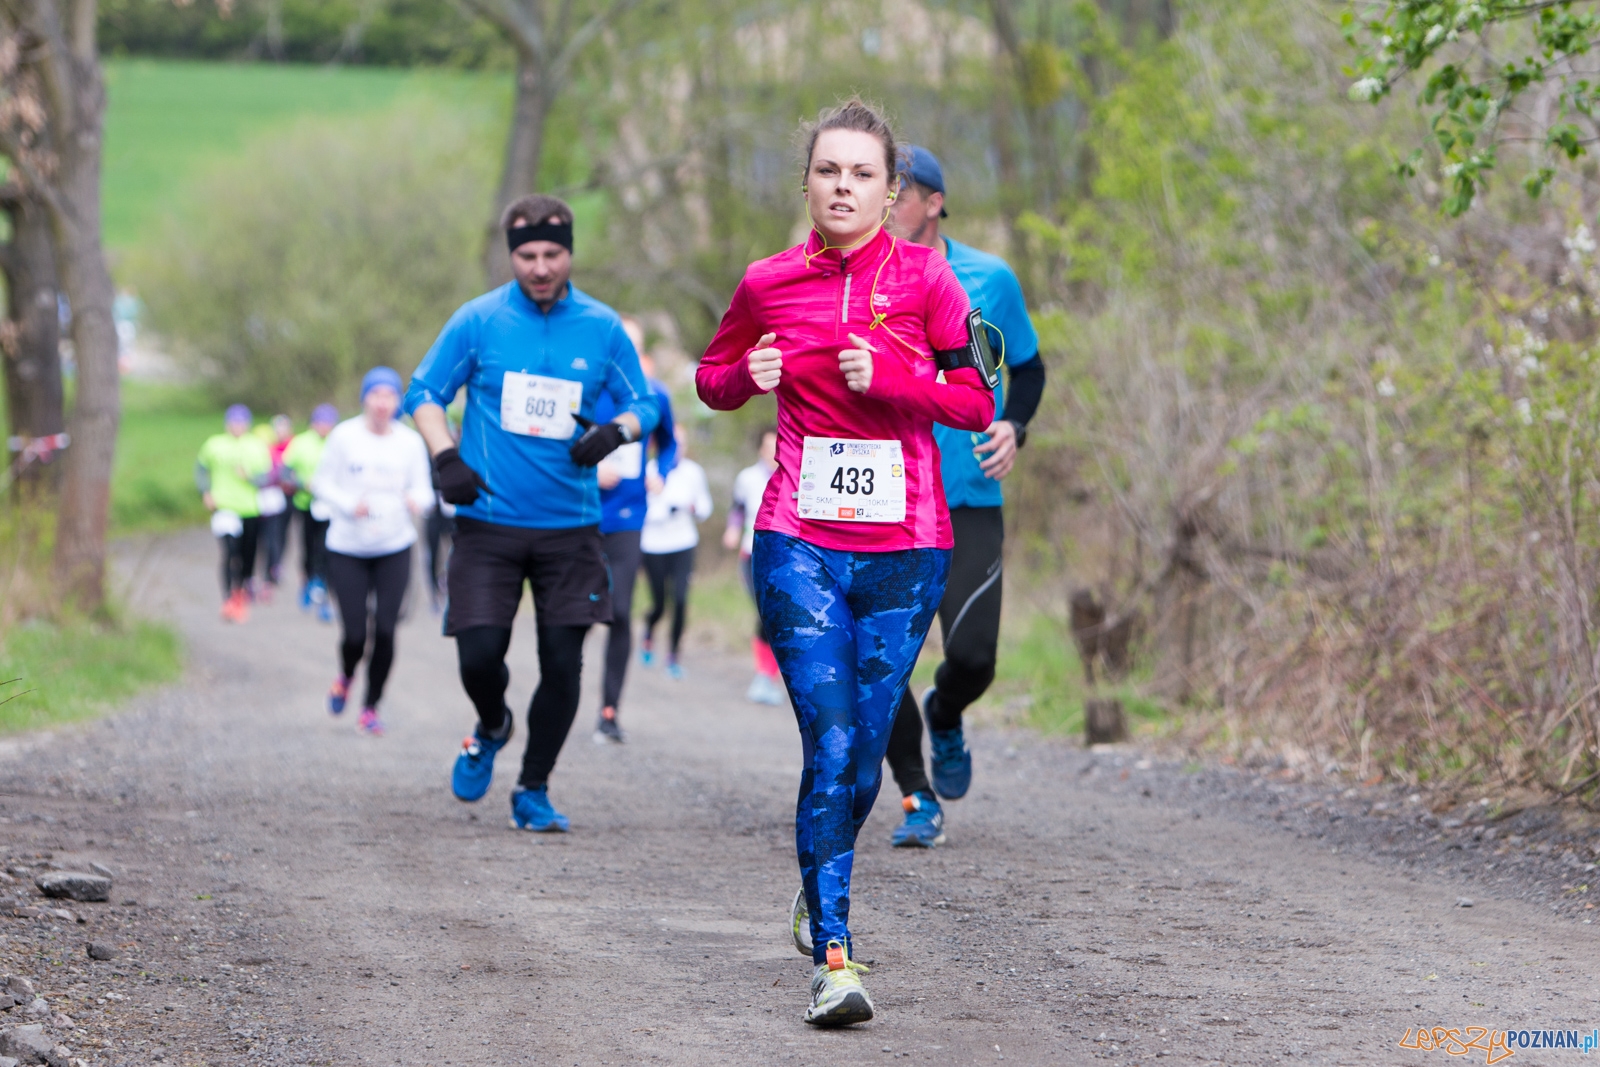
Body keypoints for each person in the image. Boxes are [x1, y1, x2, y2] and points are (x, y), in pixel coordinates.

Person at [695, 99, 993, 1026]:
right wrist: (752, 376)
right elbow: (711, 377)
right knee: (828, 742)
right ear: (808, 181)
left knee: (863, 757)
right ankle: (835, 953)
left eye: (862, 174)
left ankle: (815, 876)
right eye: (829, 171)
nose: (843, 187)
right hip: (799, 542)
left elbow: (978, 401)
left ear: (891, 189)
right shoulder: (768, 282)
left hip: (907, 550)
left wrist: (896, 378)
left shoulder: (930, 283)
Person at [404, 193, 659, 833]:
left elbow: (646, 404)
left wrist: (615, 432)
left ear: (569, 252)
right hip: (488, 522)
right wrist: (444, 457)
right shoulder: (479, 320)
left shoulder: (601, 327)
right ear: (511, 255)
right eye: (526, 255)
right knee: (479, 655)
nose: (540, 267)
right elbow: (424, 392)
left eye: (552, 254)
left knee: (562, 664)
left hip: (570, 530)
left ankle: (533, 788)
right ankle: (493, 724)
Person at [878, 146, 1047, 849]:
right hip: (886, 501)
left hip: (969, 494)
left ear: (935, 201)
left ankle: (945, 713)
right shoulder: (864, 280)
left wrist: (1015, 425)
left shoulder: (990, 279)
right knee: (883, 664)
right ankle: (918, 796)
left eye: (900, 191)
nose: (887, 204)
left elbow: (1028, 369)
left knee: (974, 655)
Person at [312, 368, 433, 735]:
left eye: (390, 395)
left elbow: (427, 492)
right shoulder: (344, 436)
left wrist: (417, 502)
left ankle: (371, 705)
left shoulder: (409, 443)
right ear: (365, 398)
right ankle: (347, 675)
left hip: (394, 546)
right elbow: (320, 482)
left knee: (385, 629)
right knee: (353, 635)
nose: (382, 402)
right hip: (348, 546)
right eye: (375, 394)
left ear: (398, 401)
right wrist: (349, 504)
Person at [593, 316, 677, 742]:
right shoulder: (589, 389)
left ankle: (609, 710)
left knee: (620, 611)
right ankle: (562, 695)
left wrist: (660, 471)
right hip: (581, 515)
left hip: (628, 517)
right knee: (575, 614)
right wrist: (590, 473)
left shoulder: (653, 394)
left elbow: (670, 445)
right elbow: (554, 447)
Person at [639, 426, 711, 680]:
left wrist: (691, 507)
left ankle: (673, 656)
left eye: (682, 444)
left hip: (684, 543)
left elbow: (704, 507)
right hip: (654, 545)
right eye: (674, 443)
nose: (678, 449)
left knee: (680, 600)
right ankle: (648, 632)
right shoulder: (647, 471)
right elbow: (642, 513)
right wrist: (667, 509)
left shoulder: (694, 472)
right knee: (659, 604)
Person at [196, 404, 272, 623]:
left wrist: (250, 477)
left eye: (241, 422)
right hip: (224, 507)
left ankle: (242, 591)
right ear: (227, 423)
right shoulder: (214, 444)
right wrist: (206, 492)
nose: (237, 426)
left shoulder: (257, 446)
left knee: (247, 556)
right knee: (229, 553)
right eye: (233, 422)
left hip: (249, 509)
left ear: (247, 424)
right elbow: (200, 469)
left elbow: (267, 478)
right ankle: (229, 598)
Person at [723, 427, 783, 705]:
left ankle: (768, 677)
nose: (773, 451)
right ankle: (763, 676)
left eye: (777, 445)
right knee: (764, 612)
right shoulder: (747, 477)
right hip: (752, 554)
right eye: (768, 445)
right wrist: (732, 531)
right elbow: (737, 508)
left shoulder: (794, 475)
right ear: (760, 448)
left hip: (784, 557)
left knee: (778, 616)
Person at [283, 404, 338, 621]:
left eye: (328, 423)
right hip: (305, 503)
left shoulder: (338, 442)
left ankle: (322, 588)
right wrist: (300, 483)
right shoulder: (300, 443)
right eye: (320, 422)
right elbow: (285, 472)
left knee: (327, 547)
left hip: (331, 506)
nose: (324, 427)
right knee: (308, 546)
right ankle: (307, 580)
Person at [255, 414, 296, 596]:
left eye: (283, 428)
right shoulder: (269, 449)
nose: (280, 432)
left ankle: (276, 565)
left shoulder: (294, 446)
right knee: (269, 535)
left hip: (288, 497)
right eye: (277, 429)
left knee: (281, 533)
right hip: (270, 496)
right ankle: (270, 568)